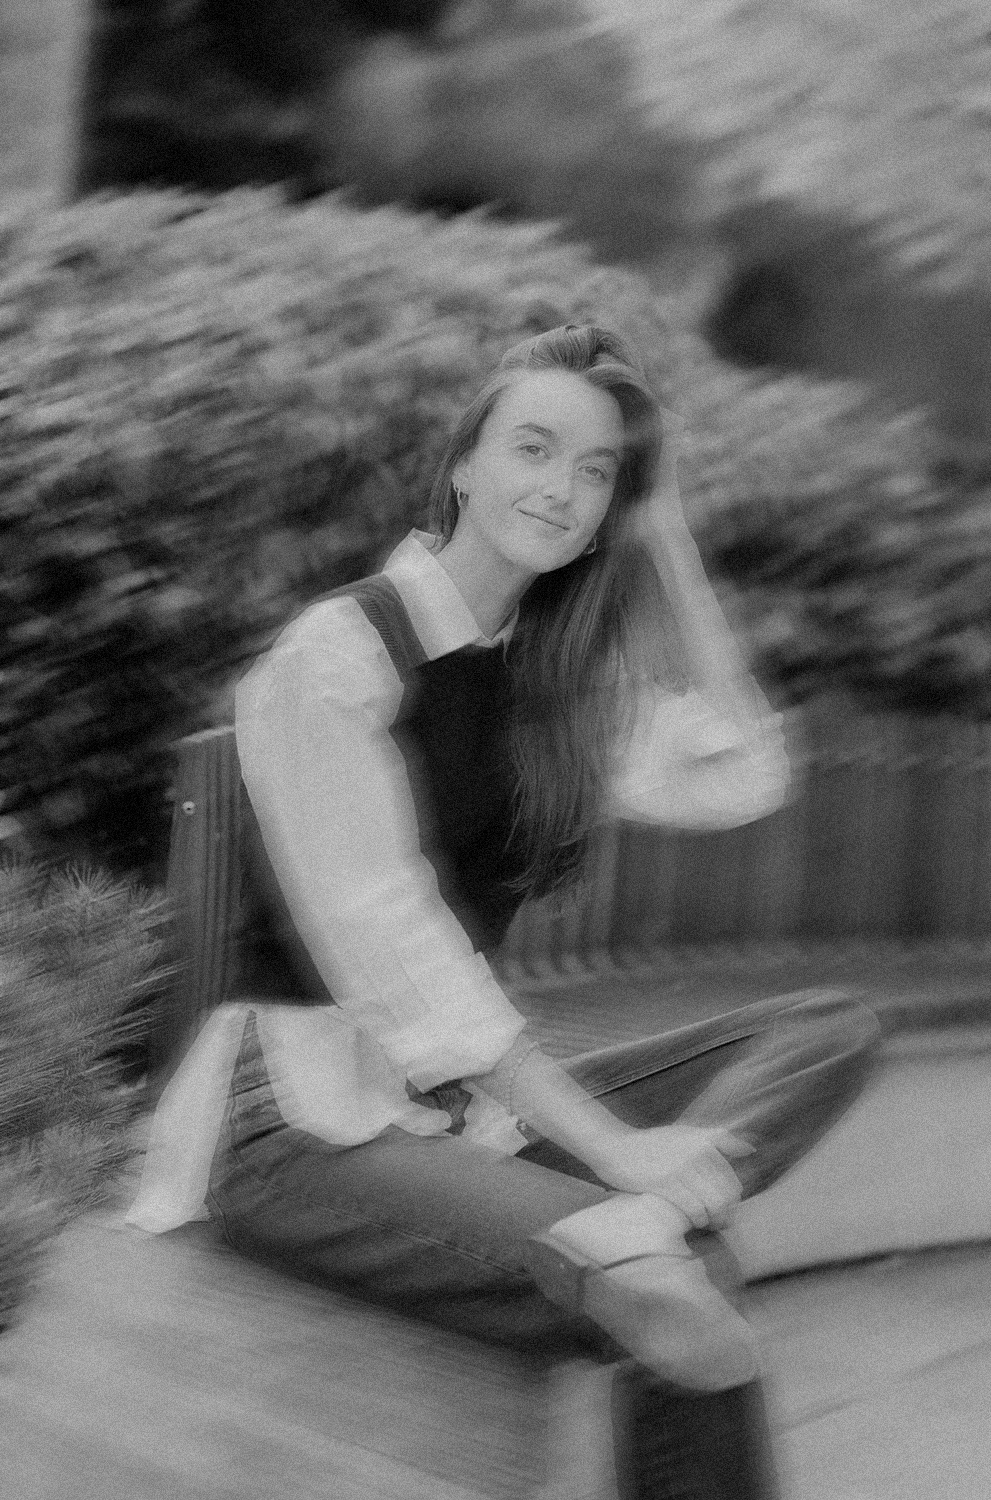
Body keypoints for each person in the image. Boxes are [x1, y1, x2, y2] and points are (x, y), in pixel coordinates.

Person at [129, 325, 879, 1498]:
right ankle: (637, 1231)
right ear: (463, 463)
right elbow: (395, 944)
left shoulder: (546, 678)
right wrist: (615, 1147)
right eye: (534, 448)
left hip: (451, 1115)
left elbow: (742, 776)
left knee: (830, 1026)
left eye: (597, 473)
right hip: (296, 1128)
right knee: (691, 1271)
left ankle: (636, 1224)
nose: (564, 490)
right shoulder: (335, 656)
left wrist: (665, 526)